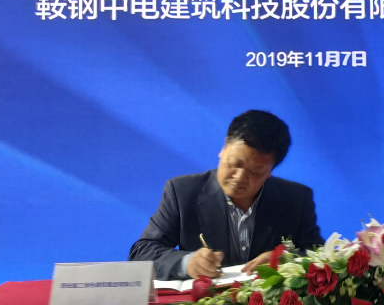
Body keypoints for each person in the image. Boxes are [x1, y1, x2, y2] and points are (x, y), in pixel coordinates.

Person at [129, 110, 324, 280]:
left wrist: (287, 260)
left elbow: (319, 255)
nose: (240, 177)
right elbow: (142, 252)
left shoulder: (296, 199)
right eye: (234, 163)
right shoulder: (182, 192)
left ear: (270, 171)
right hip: (205, 304)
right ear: (222, 151)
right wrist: (186, 263)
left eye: (255, 171)